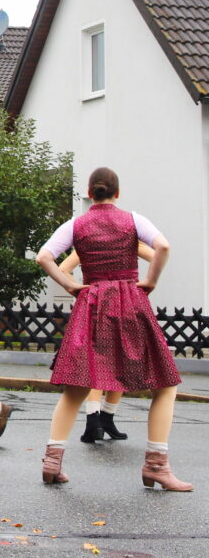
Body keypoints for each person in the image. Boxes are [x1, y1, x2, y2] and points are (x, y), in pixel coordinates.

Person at [35, 167, 189, 491]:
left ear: (90, 193)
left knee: (76, 387)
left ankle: (52, 461)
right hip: (130, 303)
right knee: (164, 384)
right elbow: (163, 247)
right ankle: (156, 466)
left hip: (91, 303)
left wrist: (70, 285)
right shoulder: (133, 220)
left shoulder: (76, 224)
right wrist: (151, 281)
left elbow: (44, 257)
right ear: (117, 193)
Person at [56, 245, 152, 443]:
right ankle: (106, 417)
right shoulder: (129, 241)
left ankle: (95, 419)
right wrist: (144, 284)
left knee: (98, 363)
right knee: (121, 361)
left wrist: (81, 290)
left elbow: (63, 268)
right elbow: (157, 254)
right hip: (125, 305)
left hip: (96, 304)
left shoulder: (90, 244)